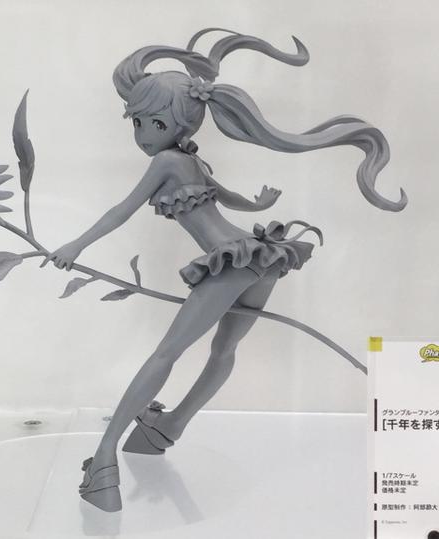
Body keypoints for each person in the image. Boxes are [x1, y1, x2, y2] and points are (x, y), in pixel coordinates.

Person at [42, 28, 407, 512]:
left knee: (166, 354)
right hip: (261, 259)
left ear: (175, 124)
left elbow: (121, 211)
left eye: (149, 123)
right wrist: (255, 203)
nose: (141, 135)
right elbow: (223, 197)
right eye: (136, 123)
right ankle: (166, 428)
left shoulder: (167, 161)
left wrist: (77, 244)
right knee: (224, 349)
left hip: (231, 262)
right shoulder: (189, 160)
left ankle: (104, 459)